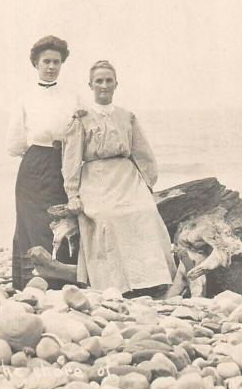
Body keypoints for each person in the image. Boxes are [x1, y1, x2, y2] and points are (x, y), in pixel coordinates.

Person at [61, 60, 176, 296]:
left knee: (145, 212)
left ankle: (153, 279)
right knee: (107, 217)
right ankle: (117, 284)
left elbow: (143, 152)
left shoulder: (127, 117)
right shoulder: (81, 119)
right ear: (91, 85)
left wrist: (147, 182)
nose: (104, 85)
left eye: (108, 80)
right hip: (96, 179)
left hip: (126, 178)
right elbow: (71, 159)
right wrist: (72, 193)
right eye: (99, 81)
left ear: (116, 84)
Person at [6, 35, 81, 290]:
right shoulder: (25, 98)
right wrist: (38, 155)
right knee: (31, 222)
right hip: (34, 166)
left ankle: (61, 279)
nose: (51, 67)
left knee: (62, 220)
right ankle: (30, 283)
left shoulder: (73, 97)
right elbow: (15, 143)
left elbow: (82, 131)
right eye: (46, 61)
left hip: (64, 163)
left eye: (56, 62)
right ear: (36, 64)